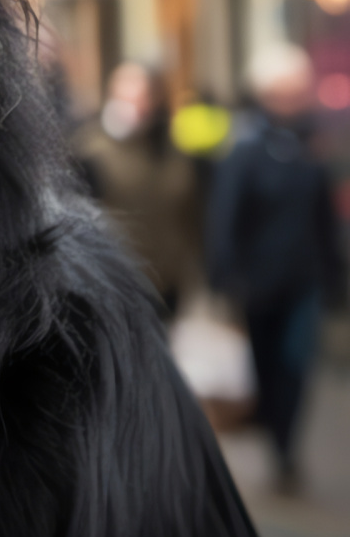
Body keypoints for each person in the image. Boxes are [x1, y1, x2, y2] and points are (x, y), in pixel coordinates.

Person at [207, 42, 343, 491]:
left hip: (302, 279)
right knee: (266, 365)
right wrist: (225, 276)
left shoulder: (311, 147)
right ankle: (273, 436)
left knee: (295, 362)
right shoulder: (245, 148)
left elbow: (323, 217)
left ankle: (286, 448)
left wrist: (335, 276)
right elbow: (225, 216)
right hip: (258, 282)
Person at [74, 61, 203, 314]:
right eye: (126, 94)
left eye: (143, 95)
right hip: (113, 285)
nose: (135, 103)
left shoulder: (174, 151)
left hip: (167, 282)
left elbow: (191, 213)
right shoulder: (89, 150)